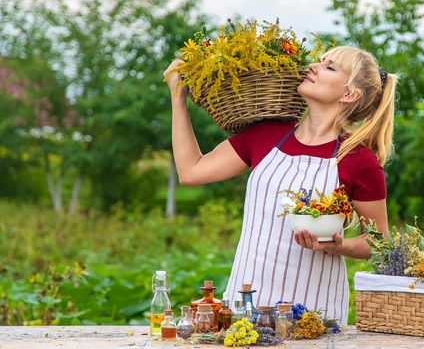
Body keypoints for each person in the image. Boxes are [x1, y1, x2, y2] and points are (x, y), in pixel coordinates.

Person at [163, 46, 396, 325]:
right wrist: (178, 98)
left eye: (329, 67)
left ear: (349, 95)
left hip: (314, 311)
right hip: (245, 301)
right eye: (320, 61)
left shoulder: (359, 160)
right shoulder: (265, 135)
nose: (313, 67)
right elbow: (191, 171)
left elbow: (379, 241)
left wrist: (336, 245)